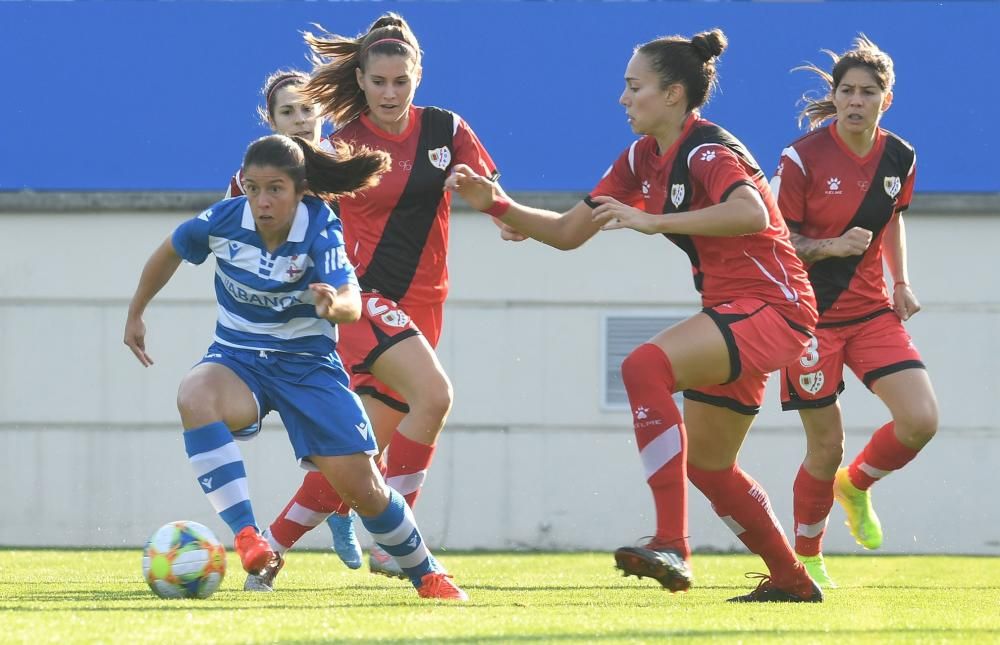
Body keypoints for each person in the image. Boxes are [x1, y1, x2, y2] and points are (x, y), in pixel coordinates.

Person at [450, 29, 823, 603]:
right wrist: (496, 204)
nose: (623, 98)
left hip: (776, 307)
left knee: (644, 367)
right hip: (734, 312)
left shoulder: (706, 150)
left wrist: (656, 222)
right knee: (710, 465)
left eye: (634, 86)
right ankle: (792, 580)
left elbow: (750, 211)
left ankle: (673, 542)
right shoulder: (640, 157)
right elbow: (569, 233)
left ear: (673, 94)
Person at [123, 133, 468, 600]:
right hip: (238, 360)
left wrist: (336, 307)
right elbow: (171, 250)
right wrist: (136, 311)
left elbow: (349, 297)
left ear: (300, 189)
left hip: (309, 369)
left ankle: (426, 573)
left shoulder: (320, 226)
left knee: (364, 492)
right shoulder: (224, 220)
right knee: (194, 393)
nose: (262, 201)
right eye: (253, 188)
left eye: (275, 189)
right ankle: (249, 538)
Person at [247, 12, 500, 586]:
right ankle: (398, 546)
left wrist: (499, 210)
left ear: (417, 77)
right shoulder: (342, 145)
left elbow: (489, 191)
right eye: (378, 81)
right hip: (368, 300)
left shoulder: (447, 130)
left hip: (427, 304)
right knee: (435, 396)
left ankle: (267, 551)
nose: (389, 93)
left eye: (400, 82)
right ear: (359, 80)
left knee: (356, 462)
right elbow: (289, 208)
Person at [772, 35, 937, 587]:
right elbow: (775, 241)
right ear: (835, 96)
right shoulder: (801, 158)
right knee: (825, 446)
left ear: (885, 100)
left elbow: (891, 219)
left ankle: (856, 485)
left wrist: (902, 281)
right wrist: (828, 247)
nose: (856, 100)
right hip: (810, 320)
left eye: (868, 92)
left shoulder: (901, 156)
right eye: (847, 91)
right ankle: (807, 557)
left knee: (921, 420)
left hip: (871, 315)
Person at [224, 68, 366, 572]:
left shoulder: (347, 167)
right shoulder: (254, 178)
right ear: (271, 119)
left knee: (365, 420)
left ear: (323, 112)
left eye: (308, 108)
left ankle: (341, 508)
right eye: (288, 111)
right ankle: (330, 508)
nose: (301, 118)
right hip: (277, 329)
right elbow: (225, 240)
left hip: (342, 313)